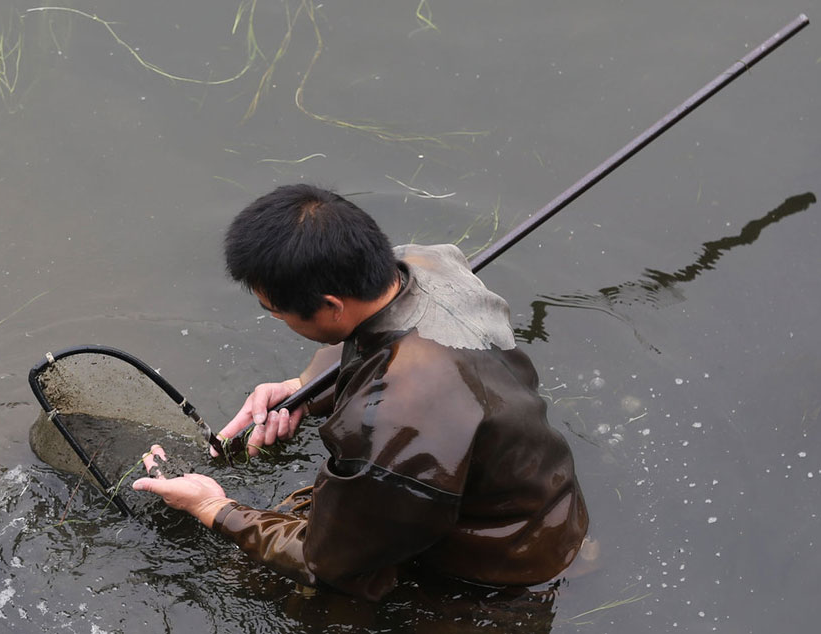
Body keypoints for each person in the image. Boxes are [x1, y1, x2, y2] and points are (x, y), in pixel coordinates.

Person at [132, 184, 589, 601]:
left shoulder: (395, 414)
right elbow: (380, 335)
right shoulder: (426, 263)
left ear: (330, 306)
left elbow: (326, 559)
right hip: (544, 493)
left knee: (285, 588)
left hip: (508, 558)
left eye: (276, 311)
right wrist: (302, 390)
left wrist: (216, 507)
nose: (275, 319)